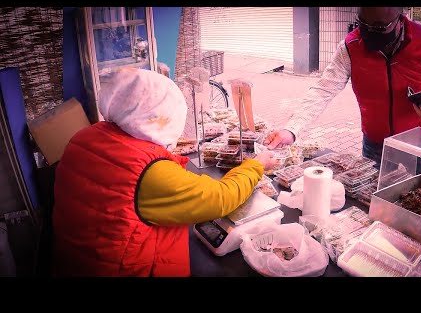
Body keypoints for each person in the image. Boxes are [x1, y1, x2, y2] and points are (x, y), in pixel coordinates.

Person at [52, 68, 276, 277]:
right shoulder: (150, 173)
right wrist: (256, 164)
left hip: (77, 260)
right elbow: (221, 197)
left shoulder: (84, 137)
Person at [265, 7, 421, 171]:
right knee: (374, 207)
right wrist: (292, 129)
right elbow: (323, 89)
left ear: (400, 17)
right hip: (375, 145)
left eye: (379, 26)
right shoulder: (350, 47)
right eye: (363, 23)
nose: (368, 32)